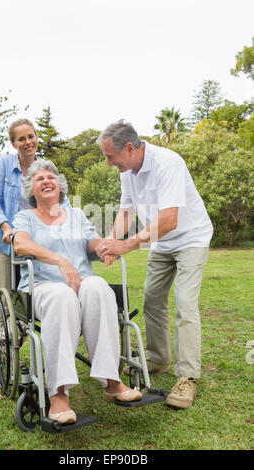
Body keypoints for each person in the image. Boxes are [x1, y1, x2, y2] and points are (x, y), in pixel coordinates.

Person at [12, 159, 142, 424]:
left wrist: (104, 247)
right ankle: (58, 394)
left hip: (81, 282)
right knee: (62, 297)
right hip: (43, 286)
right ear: (31, 190)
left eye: (51, 177)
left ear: (60, 186)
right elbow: (21, 245)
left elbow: (92, 242)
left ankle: (112, 381)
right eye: (39, 179)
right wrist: (59, 260)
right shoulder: (25, 217)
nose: (47, 181)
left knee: (99, 287)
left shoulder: (77, 215)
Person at [95, 119, 213, 409]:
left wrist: (129, 244)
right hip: (162, 242)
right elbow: (125, 212)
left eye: (110, 156)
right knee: (152, 299)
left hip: (190, 238)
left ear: (130, 148)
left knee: (185, 303)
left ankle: (187, 378)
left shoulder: (167, 163)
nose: (109, 163)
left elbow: (170, 219)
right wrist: (110, 242)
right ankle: (159, 357)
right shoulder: (128, 172)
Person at [0, 118, 71, 367]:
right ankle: (2, 349)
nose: (28, 142)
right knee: (3, 297)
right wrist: (6, 227)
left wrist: (67, 220)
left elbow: (59, 197)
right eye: (21, 138)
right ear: (13, 143)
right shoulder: (2, 164)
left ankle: (11, 342)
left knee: (25, 297)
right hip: (3, 240)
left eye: (31, 136)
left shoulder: (45, 166)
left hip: (32, 242)